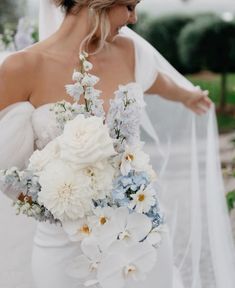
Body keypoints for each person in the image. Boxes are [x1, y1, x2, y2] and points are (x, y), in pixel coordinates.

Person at [0, 0, 234, 287]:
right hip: (65, 246)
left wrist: (189, 96)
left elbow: (160, 82)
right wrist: (59, 203)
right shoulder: (21, 67)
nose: (134, 19)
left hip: (141, 238)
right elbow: (6, 171)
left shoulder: (129, 52)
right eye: (129, 6)